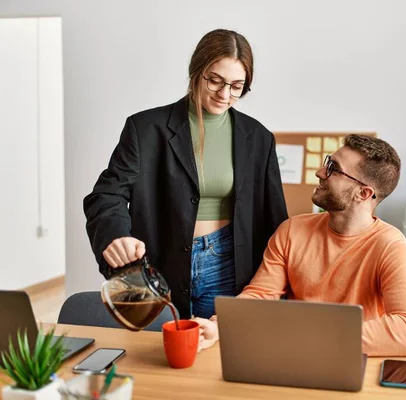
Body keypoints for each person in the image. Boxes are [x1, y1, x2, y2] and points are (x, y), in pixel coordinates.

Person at [83, 29, 288, 319]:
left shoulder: (258, 137)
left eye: (237, 86)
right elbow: (106, 195)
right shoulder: (145, 129)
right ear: (196, 71)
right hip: (160, 263)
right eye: (215, 80)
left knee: (217, 358)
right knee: (154, 355)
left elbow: (274, 219)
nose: (225, 94)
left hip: (228, 265)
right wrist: (114, 234)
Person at [195, 134, 406, 357]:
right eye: (328, 163)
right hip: (297, 358)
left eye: (334, 169)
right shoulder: (292, 230)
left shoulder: (392, 248)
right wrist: (219, 327)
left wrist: (314, 338)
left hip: (353, 358)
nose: (320, 172)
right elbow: (261, 295)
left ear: (363, 193)